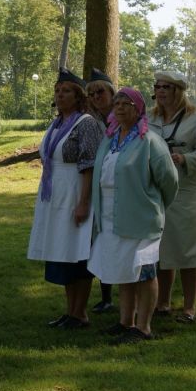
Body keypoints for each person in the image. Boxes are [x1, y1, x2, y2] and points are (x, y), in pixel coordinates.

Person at [88, 87, 178, 344]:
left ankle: (143, 327)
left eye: (126, 103)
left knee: (143, 271)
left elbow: (169, 180)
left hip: (141, 217)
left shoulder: (149, 140)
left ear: (138, 109)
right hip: (111, 216)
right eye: (116, 103)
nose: (119, 107)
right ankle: (125, 321)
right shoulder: (110, 139)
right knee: (122, 269)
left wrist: (153, 204)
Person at [27, 68, 103, 329]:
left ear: (79, 96)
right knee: (64, 250)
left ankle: (80, 313)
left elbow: (89, 165)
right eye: (57, 90)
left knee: (78, 252)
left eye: (66, 91)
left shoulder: (86, 123)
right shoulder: (57, 123)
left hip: (75, 191)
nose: (60, 95)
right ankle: (70, 311)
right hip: (55, 194)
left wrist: (84, 202)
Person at [147, 71, 196, 324]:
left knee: (189, 251)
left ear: (178, 91)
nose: (160, 91)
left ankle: (189, 307)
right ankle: (163, 302)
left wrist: (185, 158)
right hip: (159, 192)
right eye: (157, 86)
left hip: (188, 193)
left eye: (166, 87)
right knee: (162, 250)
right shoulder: (150, 117)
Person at [85, 67, 117, 314]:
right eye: (92, 94)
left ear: (111, 93)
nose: (96, 97)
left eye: (101, 92)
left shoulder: (124, 116)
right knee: (101, 240)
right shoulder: (91, 121)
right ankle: (106, 297)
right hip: (100, 188)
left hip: (119, 187)